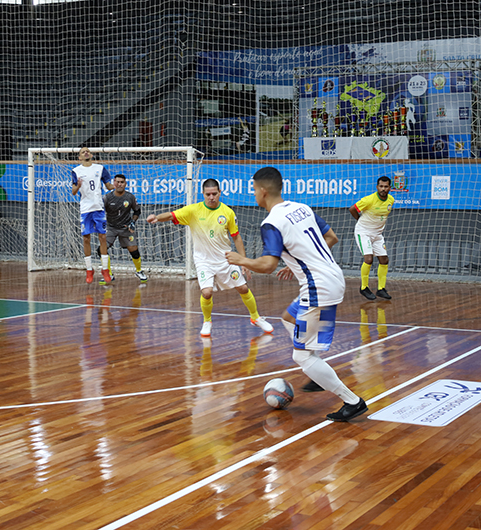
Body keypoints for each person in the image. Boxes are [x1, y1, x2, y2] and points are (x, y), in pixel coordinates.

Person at [226, 166, 368, 422]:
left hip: (319, 288)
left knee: (300, 355)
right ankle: (316, 372)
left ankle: (352, 401)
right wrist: (300, 262)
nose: (253, 194)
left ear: (263, 191)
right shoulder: (302, 208)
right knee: (288, 318)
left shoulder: (271, 223)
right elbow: (332, 237)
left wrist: (241, 260)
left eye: (254, 190)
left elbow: (268, 266)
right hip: (331, 278)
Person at [146, 178, 273, 337]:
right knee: (206, 292)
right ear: (203, 194)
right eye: (208, 194)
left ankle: (255, 317)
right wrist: (157, 217)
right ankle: (207, 321)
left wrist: (244, 262)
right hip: (204, 261)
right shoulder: (193, 210)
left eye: (214, 194)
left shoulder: (227, 212)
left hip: (226, 259)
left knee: (243, 288)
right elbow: (171, 215)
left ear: (220, 193)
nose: (211, 197)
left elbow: (237, 237)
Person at [71, 147, 114, 285]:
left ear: (91, 154)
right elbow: (73, 192)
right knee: (86, 238)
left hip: (98, 207)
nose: (86, 152)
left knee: (102, 237)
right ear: (79, 157)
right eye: (83, 152)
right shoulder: (76, 171)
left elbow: (108, 186)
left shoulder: (100, 168)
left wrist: (118, 187)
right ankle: (89, 270)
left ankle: (105, 269)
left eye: (87, 151)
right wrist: (77, 186)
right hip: (85, 208)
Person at [350, 176, 395, 300]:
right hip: (363, 232)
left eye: (386, 187)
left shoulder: (391, 200)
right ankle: (364, 287)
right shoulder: (369, 200)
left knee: (384, 260)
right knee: (368, 259)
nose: (383, 189)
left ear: (390, 188)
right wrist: (360, 221)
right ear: (377, 187)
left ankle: (381, 289)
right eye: (381, 186)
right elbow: (352, 209)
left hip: (377, 234)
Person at [101, 173, 148, 283]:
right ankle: (109, 274)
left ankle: (139, 271)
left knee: (134, 251)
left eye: (122, 182)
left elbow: (137, 211)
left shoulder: (130, 197)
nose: (120, 184)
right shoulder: (107, 198)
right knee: (101, 249)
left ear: (126, 184)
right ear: (114, 183)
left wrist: (133, 222)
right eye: (117, 182)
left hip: (126, 228)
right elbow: (101, 212)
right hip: (111, 227)